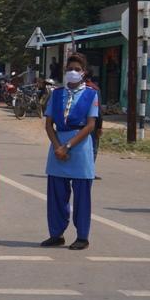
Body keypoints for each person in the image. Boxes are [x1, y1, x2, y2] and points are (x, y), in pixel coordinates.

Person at [41, 53, 99, 251]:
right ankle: (56, 234)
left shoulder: (91, 94)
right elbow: (48, 124)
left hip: (80, 148)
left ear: (84, 73)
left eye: (76, 69)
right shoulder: (56, 94)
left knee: (82, 195)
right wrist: (58, 145)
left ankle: (82, 236)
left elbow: (90, 125)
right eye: (69, 69)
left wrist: (68, 146)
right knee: (56, 194)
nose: (72, 73)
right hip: (57, 146)